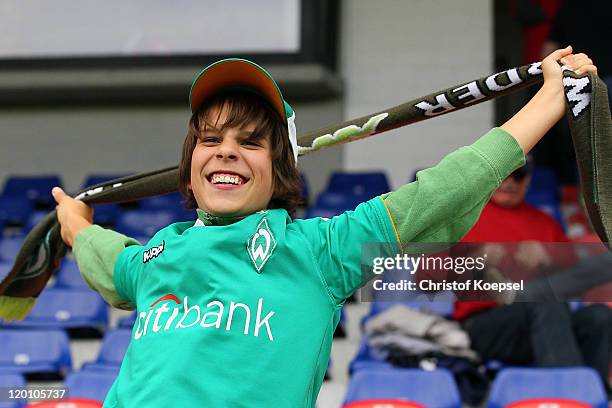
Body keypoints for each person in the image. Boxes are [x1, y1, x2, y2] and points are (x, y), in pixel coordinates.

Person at [51, 49, 596, 407]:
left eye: (250, 142)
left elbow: (442, 192)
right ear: (189, 168)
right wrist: (75, 224)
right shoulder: (157, 255)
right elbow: (105, 255)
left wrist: (550, 99)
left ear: (281, 169)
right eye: (210, 140)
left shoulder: (319, 252)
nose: (227, 152)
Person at [453, 163, 612, 393]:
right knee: (545, 302)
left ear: (527, 180)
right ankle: (569, 397)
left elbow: (574, 274)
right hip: (485, 324)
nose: (509, 182)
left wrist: (548, 256)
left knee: (598, 316)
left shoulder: (543, 222)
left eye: (517, 175)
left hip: (546, 322)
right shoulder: (464, 219)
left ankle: (594, 396)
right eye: (503, 174)